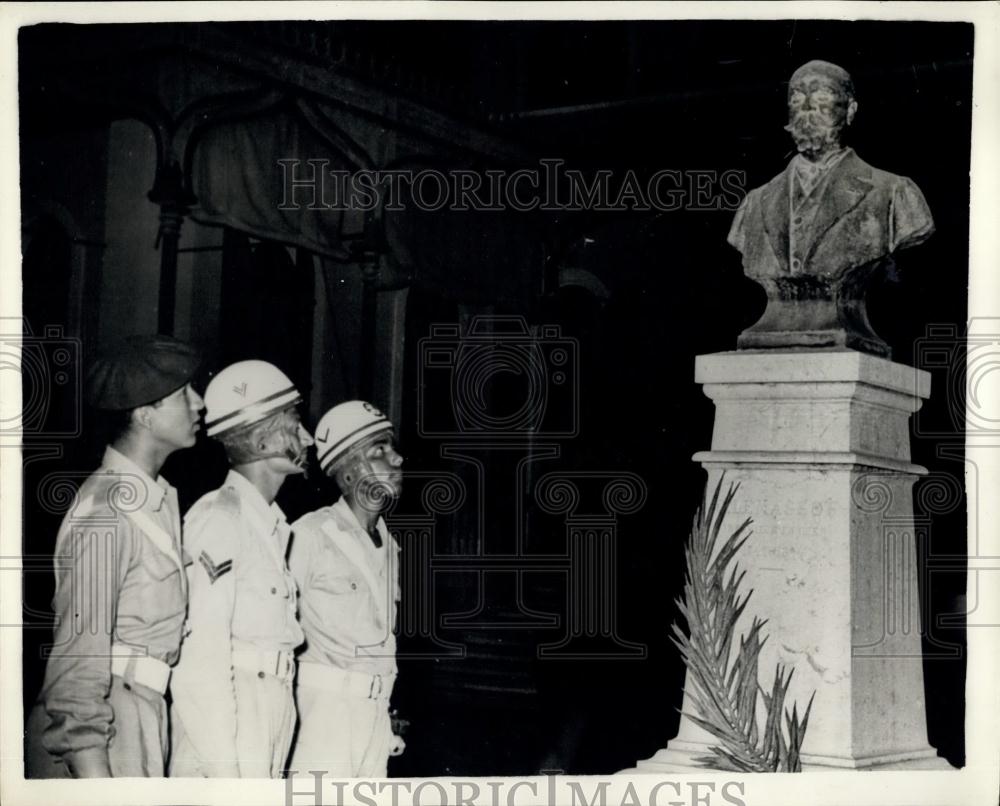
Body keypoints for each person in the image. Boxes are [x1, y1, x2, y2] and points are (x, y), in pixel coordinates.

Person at [25, 334, 204, 778]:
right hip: (103, 726)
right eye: (184, 393)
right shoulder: (106, 511)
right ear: (145, 415)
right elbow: (76, 662)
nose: (199, 403)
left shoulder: (155, 503)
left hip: (142, 713)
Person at [728, 59, 934, 354]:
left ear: (850, 110)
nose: (807, 108)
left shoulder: (894, 194)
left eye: (822, 96)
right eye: (797, 98)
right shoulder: (754, 203)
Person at [168, 360, 311, 778]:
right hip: (232, 714)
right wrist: (224, 770)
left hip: (271, 702)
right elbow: (201, 657)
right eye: (294, 425)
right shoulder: (221, 518)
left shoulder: (269, 525)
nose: (307, 438)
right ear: (263, 442)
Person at [286, 400, 405, 778]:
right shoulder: (309, 536)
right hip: (323, 721)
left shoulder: (389, 546)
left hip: (373, 719)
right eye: (379, 450)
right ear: (350, 473)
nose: (397, 459)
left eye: (392, 447)